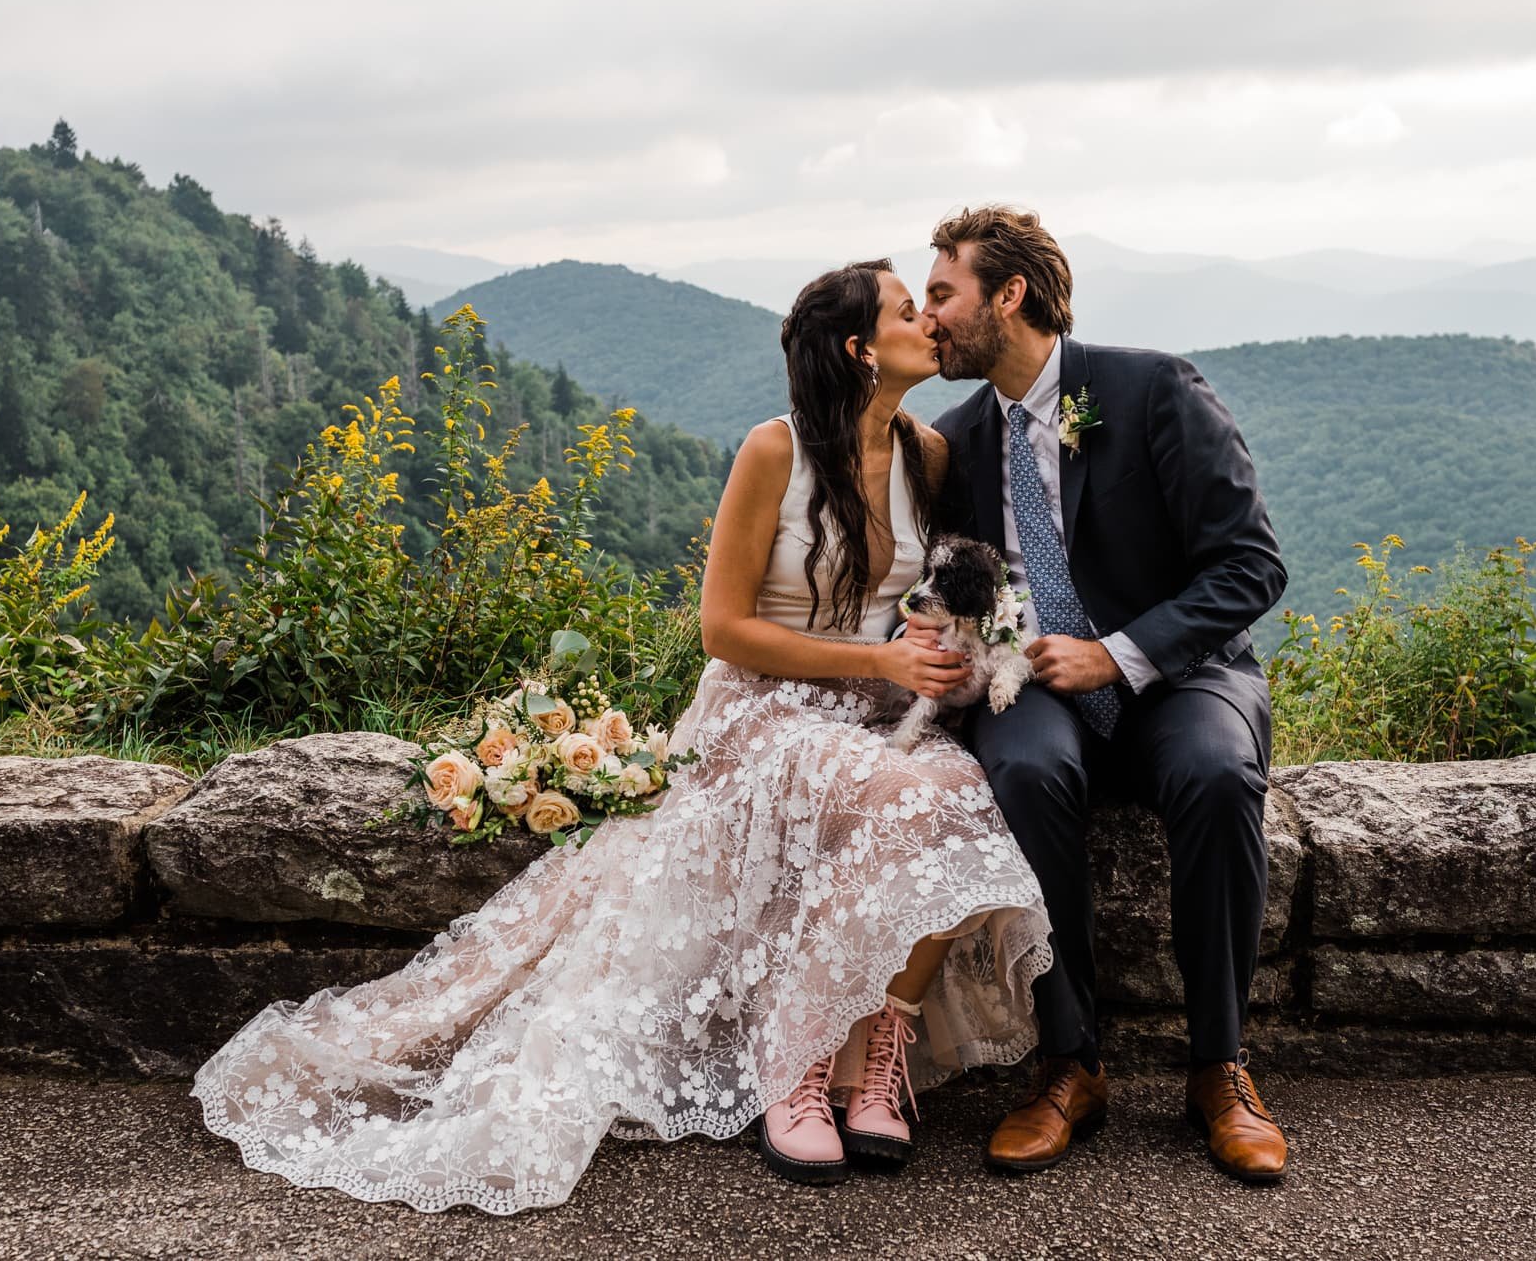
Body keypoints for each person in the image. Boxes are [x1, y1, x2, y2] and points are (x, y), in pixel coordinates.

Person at [191, 261, 1055, 1213]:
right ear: (860, 349)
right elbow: (722, 629)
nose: (931, 323)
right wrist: (879, 666)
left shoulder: (929, 455)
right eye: (907, 311)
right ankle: (799, 1055)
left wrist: (930, 657)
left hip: (881, 718)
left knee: (952, 790)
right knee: (901, 795)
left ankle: (876, 1043)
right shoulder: (776, 452)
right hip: (766, 709)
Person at [915, 206, 1292, 1183]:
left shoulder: (1151, 388)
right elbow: (966, 584)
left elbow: (1248, 569)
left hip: (1182, 673)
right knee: (1024, 770)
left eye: (943, 294)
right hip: (1034, 683)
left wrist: (1119, 653)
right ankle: (1066, 1064)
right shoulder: (956, 438)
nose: (929, 317)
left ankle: (1218, 1068)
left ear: (1009, 295)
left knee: (1215, 775)